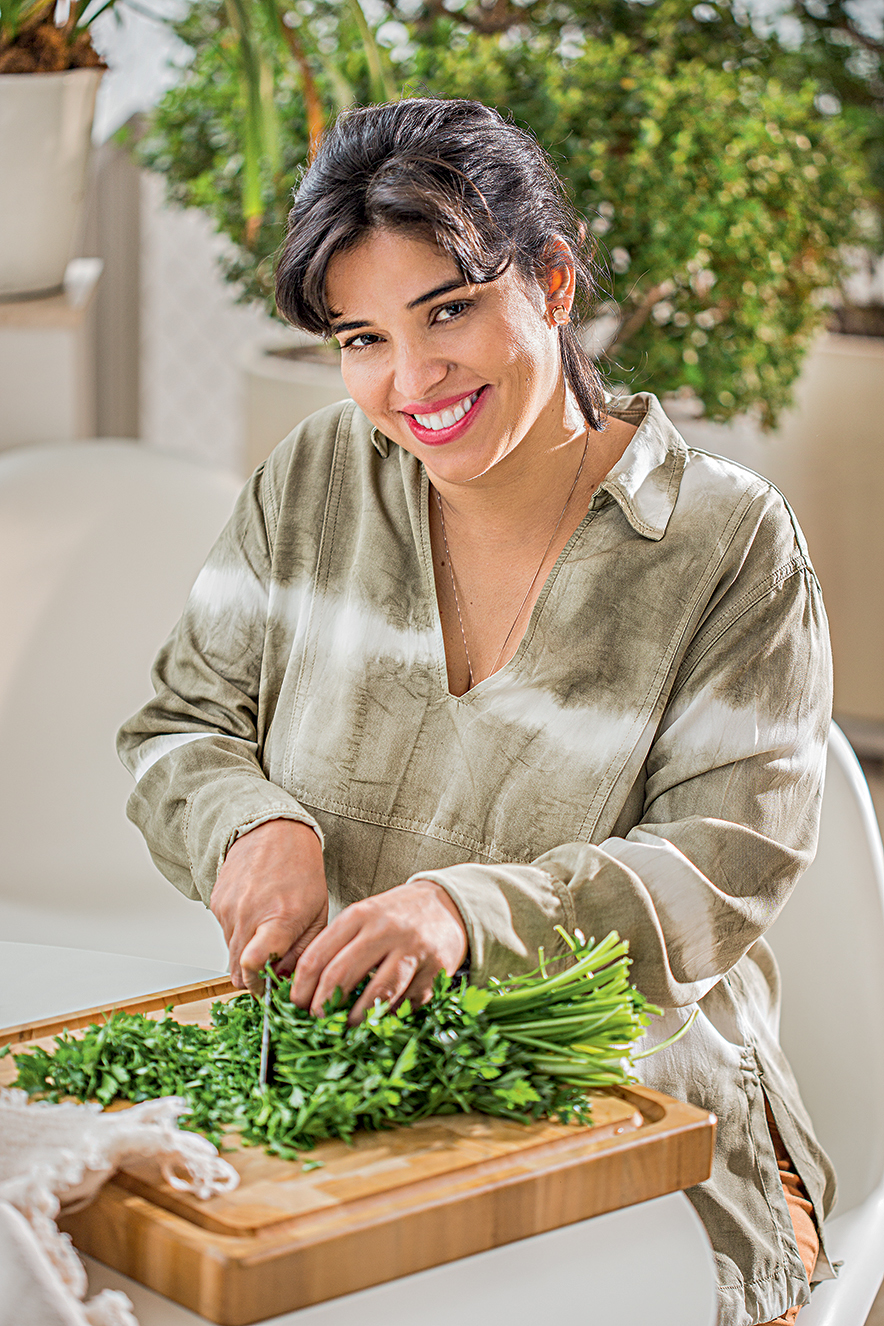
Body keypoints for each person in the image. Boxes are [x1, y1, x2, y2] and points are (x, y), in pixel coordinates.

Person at [117, 97, 835, 1325]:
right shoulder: (313, 479)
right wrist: (249, 826)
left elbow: (721, 869)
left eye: (448, 309)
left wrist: (463, 915)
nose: (411, 380)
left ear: (550, 284)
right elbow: (178, 726)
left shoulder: (727, 544)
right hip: (356, 1127)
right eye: (361, 337)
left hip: (643, 1143)